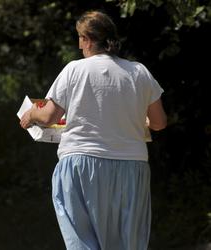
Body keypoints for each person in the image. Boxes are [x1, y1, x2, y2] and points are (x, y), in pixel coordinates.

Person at [20, 10, 167, 250]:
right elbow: (159, 122)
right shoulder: (139, 72)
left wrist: (31, 114)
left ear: (88, 39)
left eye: (80, 38)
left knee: (82, 242)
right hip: (131, 167)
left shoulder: (74, 70)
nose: (79, 45)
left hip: (81, 164)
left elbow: (49, 116)